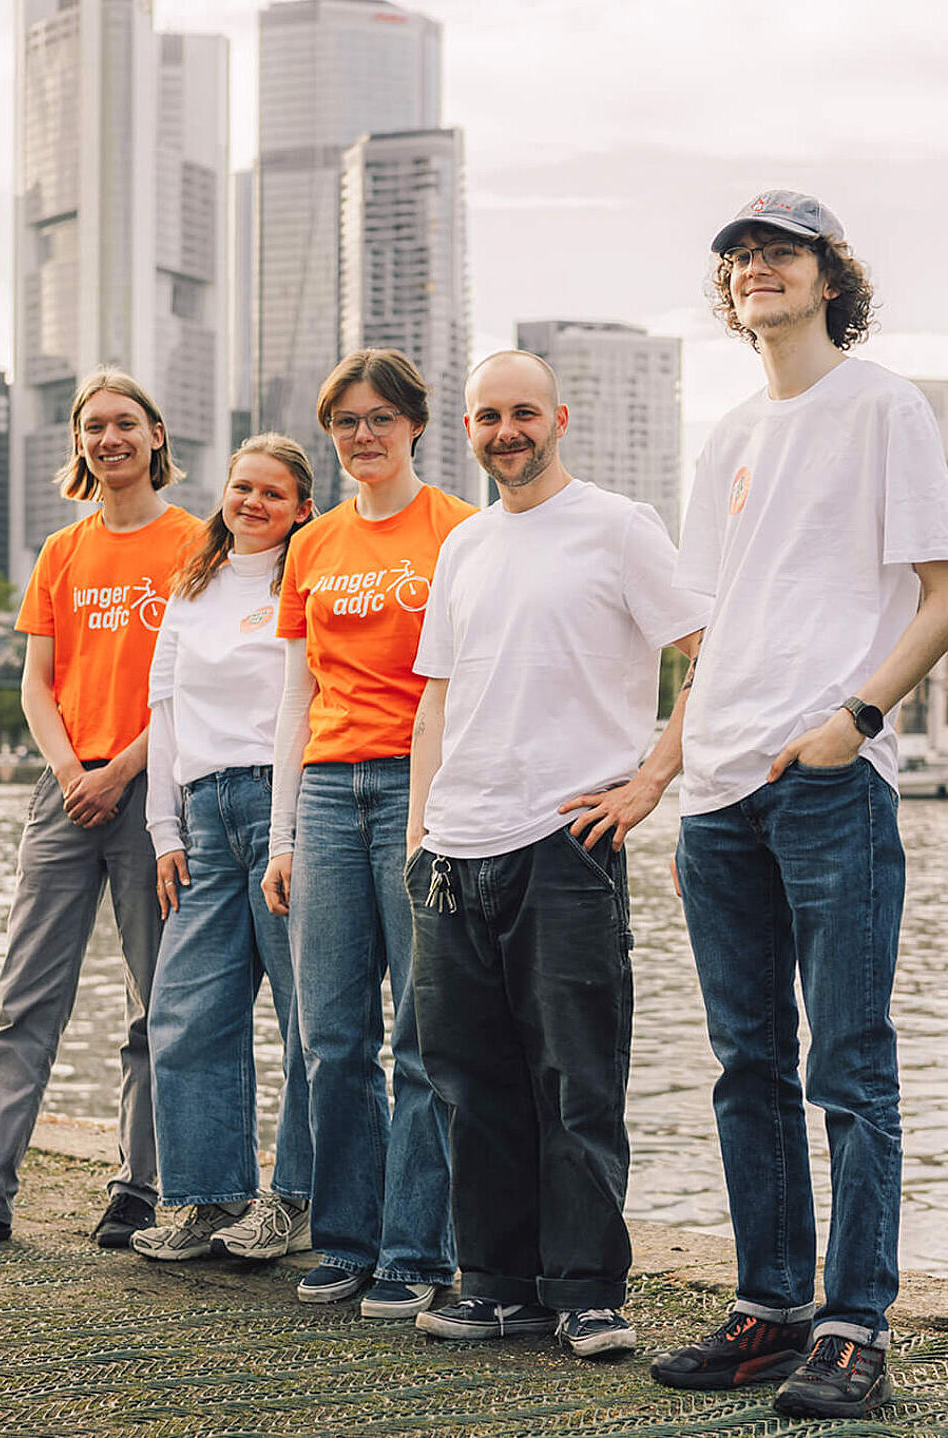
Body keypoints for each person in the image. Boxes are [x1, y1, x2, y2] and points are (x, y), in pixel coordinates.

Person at [650, 191, 948, 1419]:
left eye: (776, 251)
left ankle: (851, 1325)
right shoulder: (724, 435)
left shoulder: (883, 405)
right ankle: (767, 1310)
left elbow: (938, 591)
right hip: (714, 794)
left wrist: (855, 722)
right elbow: (704, 629)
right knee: (743, 1062)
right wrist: (663, 763)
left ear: (829, 276)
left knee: (851, 1061)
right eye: (735, 258)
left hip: (826, 781)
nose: (752, 269)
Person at [405, 350, 709, 1358]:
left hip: (567, 839)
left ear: (559, 418)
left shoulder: (619, 526)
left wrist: (649, 779)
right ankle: (496, 1283)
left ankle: (585, 1290)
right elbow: (436, 694)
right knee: (468, 1078)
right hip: (456, 847)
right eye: (488, 416)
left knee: (575, 1077)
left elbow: (705, 653)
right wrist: (419, 830)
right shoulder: (464, 544)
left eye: (523, 412)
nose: (507, 431)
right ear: (469, 429)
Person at [262, 348, 474, 1319]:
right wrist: (282, 834)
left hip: (414, 789)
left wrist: (449, 814)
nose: (361, 436)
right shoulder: (313, 544)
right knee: (331, 1037)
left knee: (420, 1038)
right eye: (345, 420)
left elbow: (468, 687)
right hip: (329, 791)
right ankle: (345, 1240)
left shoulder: (460, 534)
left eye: (379, 417)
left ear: (415, 425)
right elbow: (295, 695)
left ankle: (414, 1250)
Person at [0, 367, 202, 1247]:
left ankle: (137, 1188)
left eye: (125, 423)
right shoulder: (63, 551)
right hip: (63, 790)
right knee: (24, 997)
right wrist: (72, 769)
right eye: (93, 427)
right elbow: (38, 683)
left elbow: (196, 684)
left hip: (154, 787)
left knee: (157, 997)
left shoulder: (197, 541)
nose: (108, 438)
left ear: (156, 436)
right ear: (80, 444)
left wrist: (119, 771)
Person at [130, 433, 315, 1263]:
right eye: (243, 488)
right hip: (204, 817)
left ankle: (298, 1198)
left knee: (309, 1016)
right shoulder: (193, 589)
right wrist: (163, 829)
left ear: (302, 508)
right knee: (185, 1012)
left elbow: (308, 703)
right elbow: (162, 711)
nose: (253, 503)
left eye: (273, 493)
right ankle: (209, 1198)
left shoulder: (303, 580)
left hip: (285, 808)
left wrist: (289, 829)